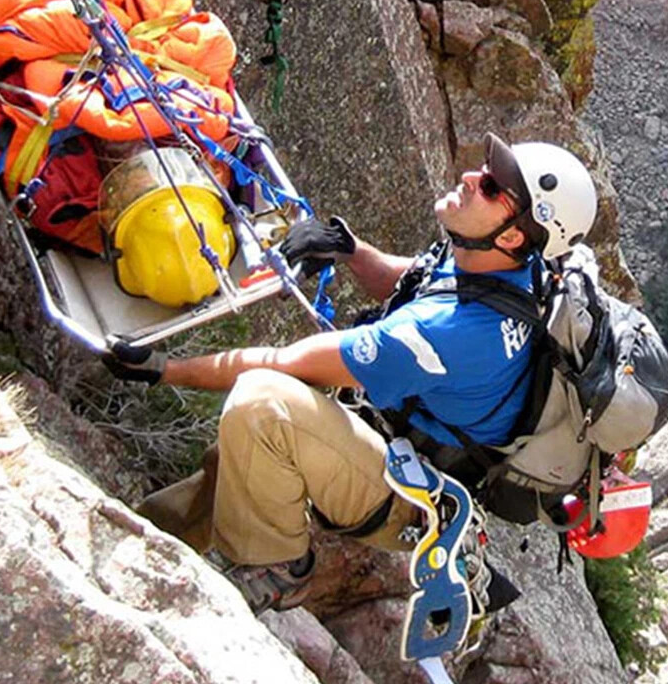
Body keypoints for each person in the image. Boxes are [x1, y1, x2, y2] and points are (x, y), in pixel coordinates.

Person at [101, 133, 599, 615]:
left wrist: (166, 369)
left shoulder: (450, 334)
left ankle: (277, 568)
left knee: (264, 406)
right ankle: (160, 534)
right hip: (401, 445)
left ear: (512, 233)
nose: (472, 176)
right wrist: (347, 249)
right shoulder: (509, 266)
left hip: (412, 498)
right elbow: (419, 281)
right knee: (241, 456)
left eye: (491, 186)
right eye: (485, 171)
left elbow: (284, 362)